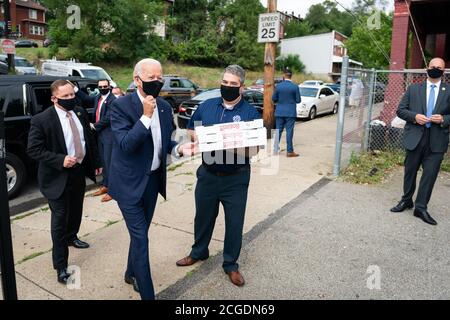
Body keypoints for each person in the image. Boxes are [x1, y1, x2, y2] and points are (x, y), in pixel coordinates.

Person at [109, 58, 196, 300]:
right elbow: (126, 145)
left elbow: (163, 142)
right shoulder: (120, 107)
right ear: (137, 80)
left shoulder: (166, 107)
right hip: (127, 184)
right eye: (151, 79)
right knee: (141, 239)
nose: (157, 82)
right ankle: (148, 295)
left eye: (160, 78)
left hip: (151, 182)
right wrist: (145, 117)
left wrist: (179, 149)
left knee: (140, 234)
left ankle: (130, 272)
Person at [176, 65, 261, 287]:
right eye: (225, 82)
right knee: (202, 217)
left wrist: (222, 140)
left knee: (234, 223)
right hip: (208, 174)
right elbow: (191, 131)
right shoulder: (207, 105)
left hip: (236, 178)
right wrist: (201, 136)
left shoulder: (251, 113)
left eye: (233, 84)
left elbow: (254, 149)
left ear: (241, 87)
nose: (228, 87)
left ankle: (231, 264)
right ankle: (198, 252)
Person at [27, 80, 102, 284]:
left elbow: (88, 139)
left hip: (78, 173)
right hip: (56, 176)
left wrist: (96, 162)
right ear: (54, 98)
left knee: (76, 209)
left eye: (72, 95)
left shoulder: (79, 112)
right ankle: (61, 265)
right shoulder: (41, 120)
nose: (71, 99)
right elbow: (34, 150)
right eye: (65, 96)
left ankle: (72, 236)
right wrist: (60, 160)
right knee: (59, 220)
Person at [391, 57, 450, 225]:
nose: (436, 69)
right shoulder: (414, 89)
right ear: (427, 68)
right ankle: (406, 200)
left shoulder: (449, 90)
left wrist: (444, 119)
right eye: (433, 66)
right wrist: (415, 117)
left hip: (437, 140)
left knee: (429, 175)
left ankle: (421, 208)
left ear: (443, 71)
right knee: (410, 172)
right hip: (415, 138)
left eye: (439, 67)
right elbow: (401, 110)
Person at [76, 79, 116, 202]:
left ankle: (113, 191)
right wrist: (76, 90)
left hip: (109, 135)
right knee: (103, 161)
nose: (102, 88)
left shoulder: (113, 100)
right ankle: (105, 185)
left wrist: (95, 125)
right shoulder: (98, 96)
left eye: (105, 86)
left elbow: (109, 117)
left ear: (109, 87)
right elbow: (87, 98)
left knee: (110, 163)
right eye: (100, 86)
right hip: (100, 135)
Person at [272, 68, 301, 157]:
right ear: (291, 76)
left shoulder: (278, 86)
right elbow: (298, 100)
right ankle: (289, 151)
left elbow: (273, 99)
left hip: (279, 111)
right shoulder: (295, 87)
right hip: (290, 112)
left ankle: (275, 150)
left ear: (283, 76)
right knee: (289, 131)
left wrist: (280, 101)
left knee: (278, 131)